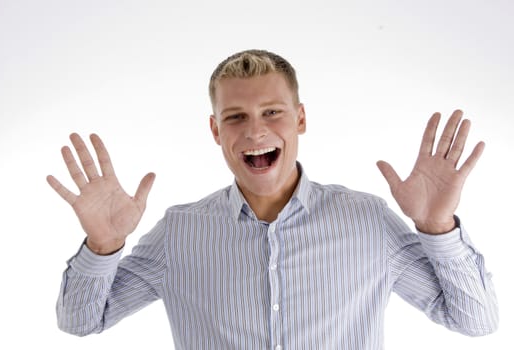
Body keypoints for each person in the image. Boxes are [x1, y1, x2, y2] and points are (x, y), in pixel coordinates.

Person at [48, 49, 498, 349]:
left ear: (300, 119)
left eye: (272, 113)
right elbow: (81, 321)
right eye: (236, 116)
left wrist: (438, 228)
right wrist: (102, 246)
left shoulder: (366, 220)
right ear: (216, 131)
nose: (255, 131)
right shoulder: (180, 232)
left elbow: (475, 320)